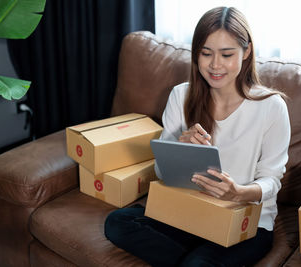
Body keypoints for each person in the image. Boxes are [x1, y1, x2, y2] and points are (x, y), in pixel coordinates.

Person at [105, 6, 290, 267]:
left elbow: (272, 180)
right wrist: (178, 150)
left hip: (247, 222)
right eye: (206, 53)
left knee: (197, 263)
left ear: (246, 51)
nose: (215, 65)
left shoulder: (271, 107)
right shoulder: (181, 96)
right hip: (191, 212)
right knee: (117, 222)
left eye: (227, 54)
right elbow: (161, 172)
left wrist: (237, 192)